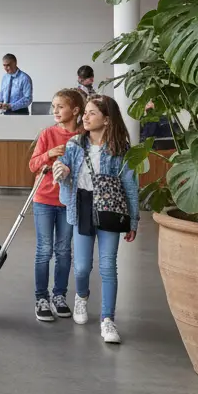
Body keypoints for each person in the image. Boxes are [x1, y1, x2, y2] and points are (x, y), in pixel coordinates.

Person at [53, 94, 138, 345]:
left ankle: (107, 319)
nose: (85, 117)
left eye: (91, 113)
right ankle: (81, 296)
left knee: (108, 266)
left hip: (111, 208)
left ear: (107, 120)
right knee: (81, 267)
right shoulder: (75, 144)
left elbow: (131, 186)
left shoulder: (121, 150)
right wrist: (63, 170)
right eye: (85, 112)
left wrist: (133, 221)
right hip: (83, 206)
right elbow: (64, 165)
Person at [28, 89, 85, 322]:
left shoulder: (83, 137)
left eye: (60, 106)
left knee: (63, 251)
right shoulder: (47, 134)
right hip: (43, 199)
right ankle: (41, 298)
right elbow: (33, 165)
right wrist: (48, 155)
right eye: (54, 107)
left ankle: (59, 296)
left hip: (69, 201)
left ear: (75, 110)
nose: (55, 111)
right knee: (44, 250)